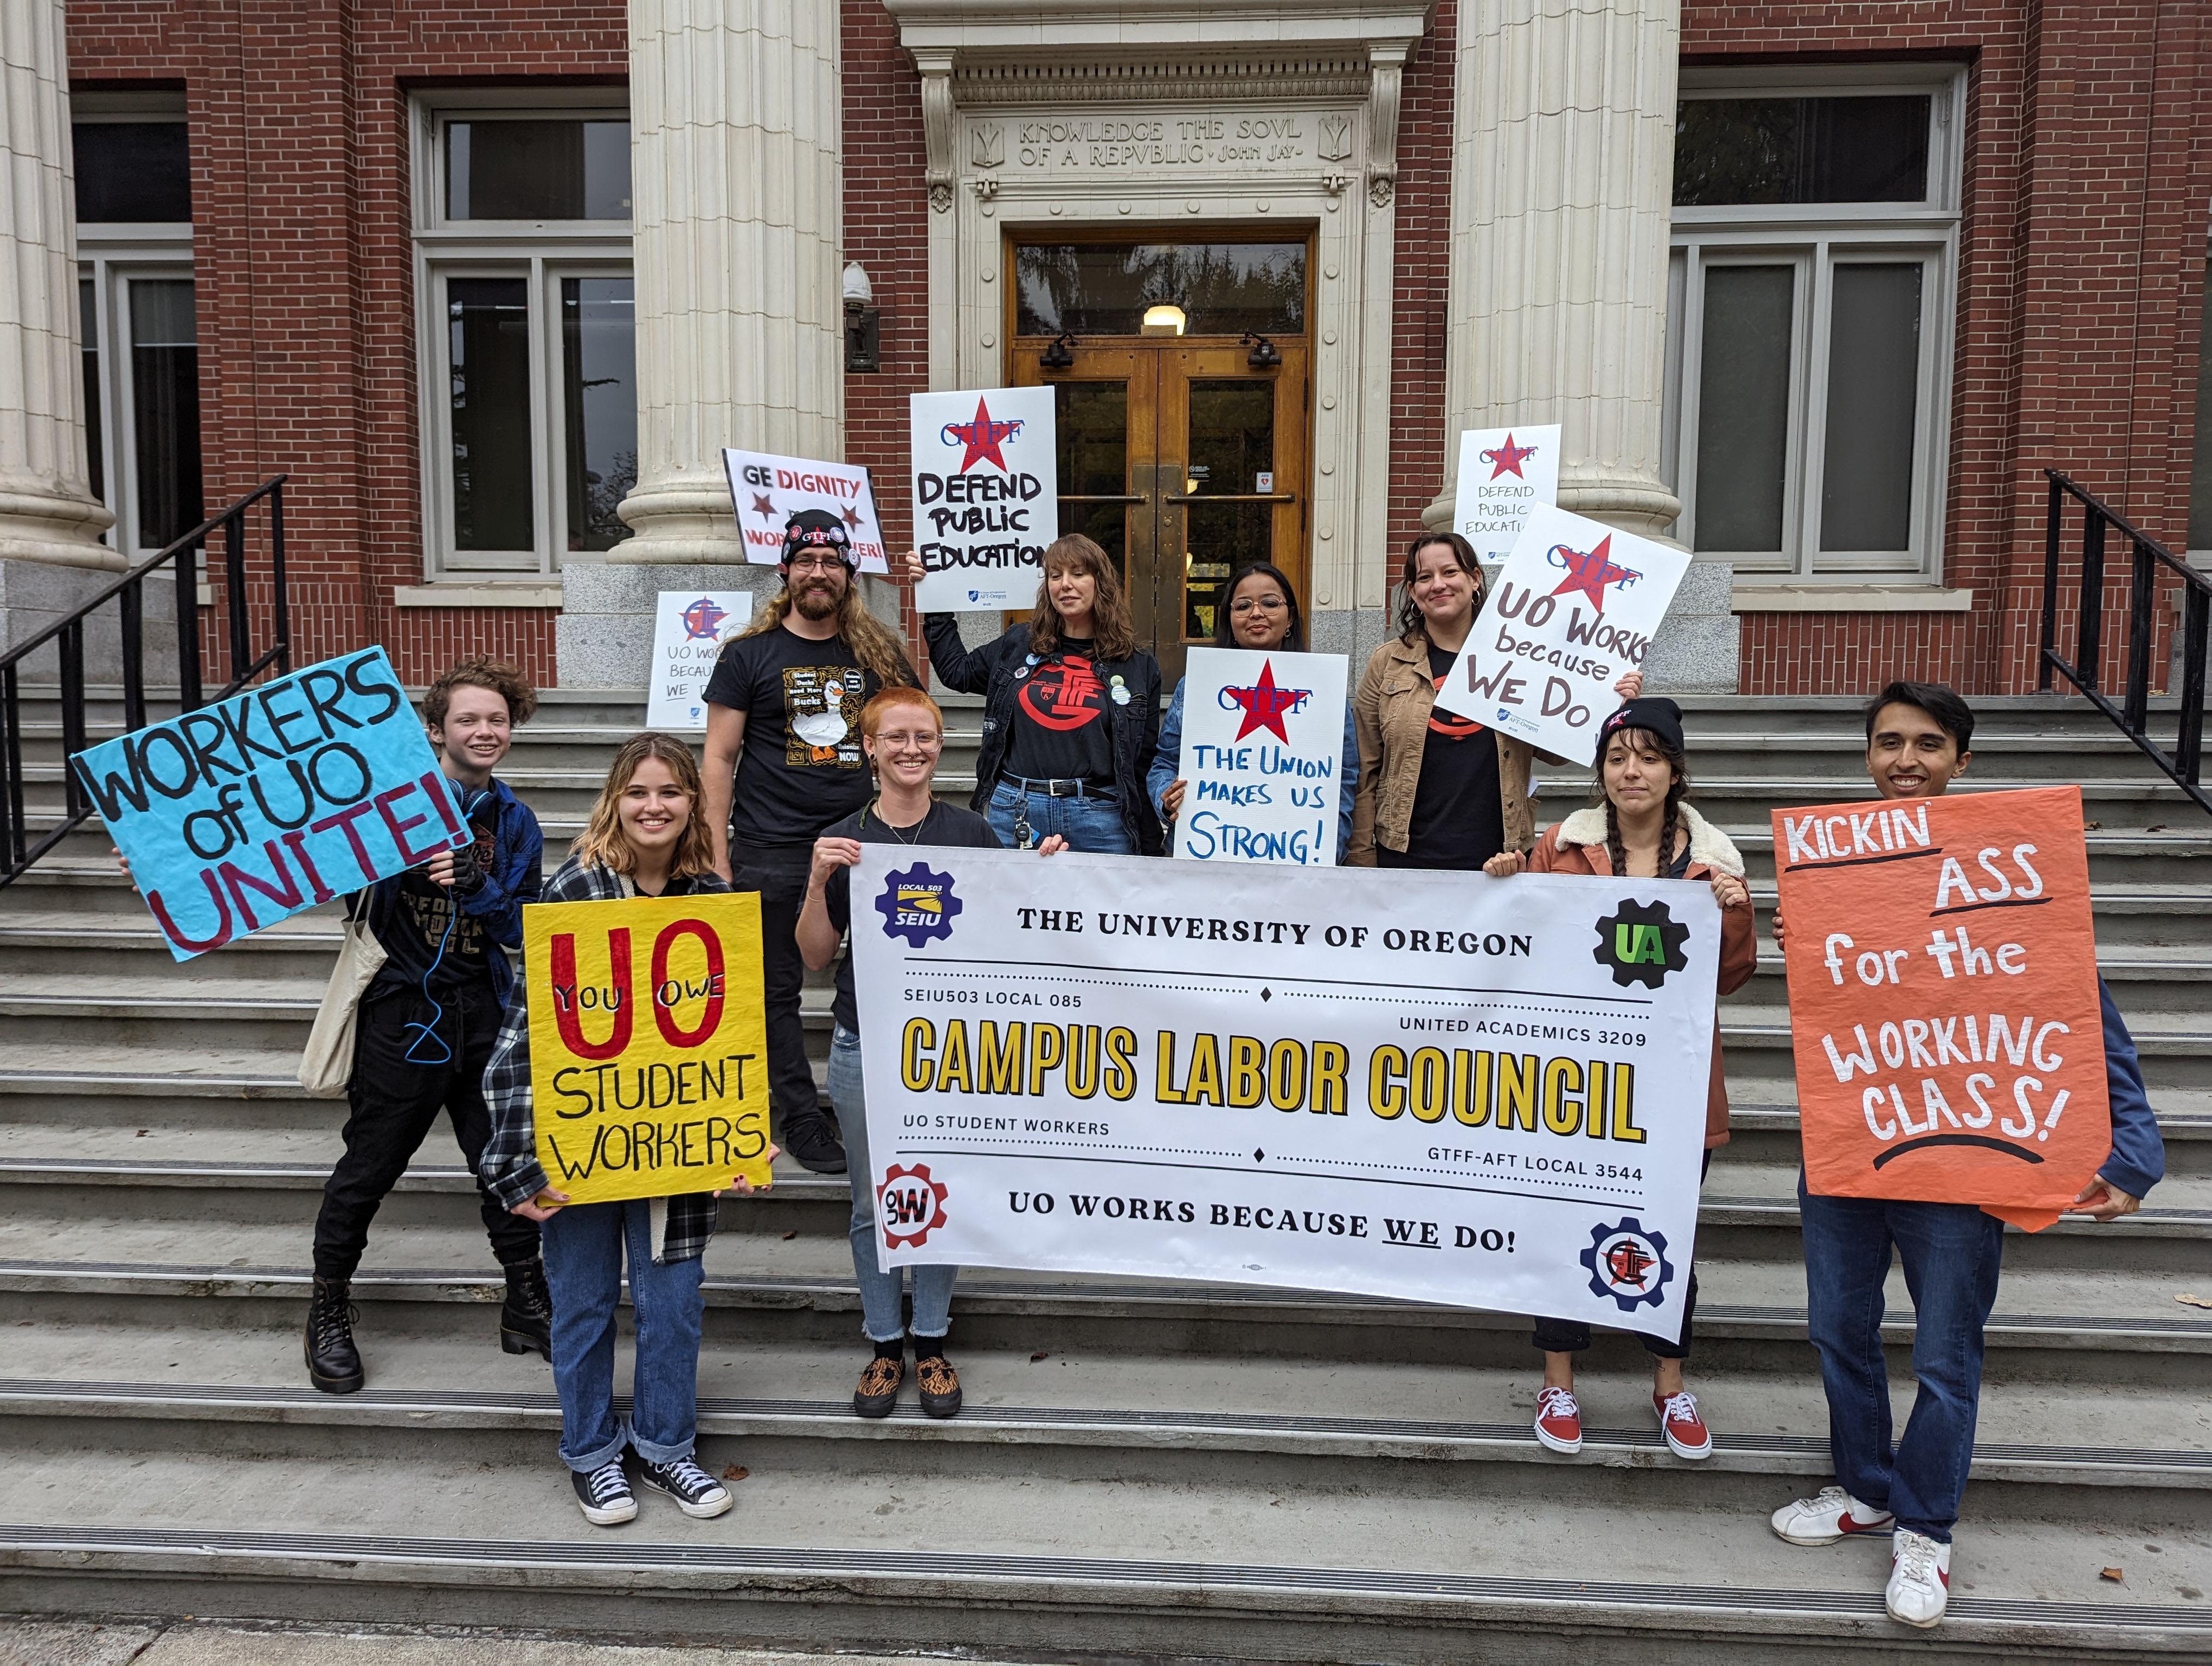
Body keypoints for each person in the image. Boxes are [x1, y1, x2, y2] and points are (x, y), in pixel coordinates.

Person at [1766, 680, 2165, 1629]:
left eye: (1929, 743)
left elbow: (2079, 1006)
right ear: (1868, 755)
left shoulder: (2002, 866)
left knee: (1946, 1354)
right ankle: (1866, 1487)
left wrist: (2133, 1147)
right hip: (1850, 1148)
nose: (1906, 759)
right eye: (1889, 742)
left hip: (1961, 1155)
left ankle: (1927, 1528)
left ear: (1962, 761)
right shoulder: (1830, 872)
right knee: (1837, 1329)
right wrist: (1805, 937)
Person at [481, 733, 778, 1528]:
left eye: (671, 792)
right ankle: (590, 1454)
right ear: (615, 799)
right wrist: (515, 1162)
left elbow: (738, 1038)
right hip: (580, 1150)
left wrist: (744, 1136)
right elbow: (523, 1035)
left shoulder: (713, 901)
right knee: (579, 1306)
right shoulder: (575, 891)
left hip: (674, 1156)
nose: (655, 806)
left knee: (673, 1307)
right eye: (640, 792)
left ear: (692, 804)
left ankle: (665, 1448)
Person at [1484, 696, 1757, 1460]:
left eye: (1648, 756)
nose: (1631, 771)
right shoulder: (1561, 847)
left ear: (1676, 771)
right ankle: (1558, 1380)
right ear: (1600, 771)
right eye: (1616, 757)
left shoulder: (1715, 861)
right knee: (1561, 1226)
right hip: (1579, 1083)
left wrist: (1735, 915)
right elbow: (1519, 951)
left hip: (1671, 1088)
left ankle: (1670, 1387)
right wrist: (1506, 882)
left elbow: (1731, 977)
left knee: (1671, 1235)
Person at [795, 687, 1066, 1420]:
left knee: (938, 1190)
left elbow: (1006, 933)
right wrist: (819, 881)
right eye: (896, 738)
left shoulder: (970, 834)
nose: (911, 749)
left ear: (939, 747)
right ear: (869, 748)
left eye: (925, 737)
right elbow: (817, 958)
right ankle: (884, 1344)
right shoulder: (843, 835)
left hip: (946, 1048)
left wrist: (1035, 876)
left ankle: (933, 1339)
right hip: (864, 1039)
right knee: (868, 1200)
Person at [303, 657, 546, 1395]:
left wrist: (479, 887)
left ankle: (526, 1301)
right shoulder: (385, 807)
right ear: (435, 730)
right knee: (368, 1168)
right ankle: (326, 1310)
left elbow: (524, 929)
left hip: (485, 1017)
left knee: (504, 1166)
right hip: (402, 1014)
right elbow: (294, 864)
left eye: (496, 719)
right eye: (468, 719)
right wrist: (165, 869)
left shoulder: (515, 821)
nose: (484, 731)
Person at [703, 509, 917, 1176]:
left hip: (869, 845)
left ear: (850, 575)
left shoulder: (875, 651)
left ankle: (883, 1100)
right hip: (771, 847)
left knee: (888, 977)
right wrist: (715, 856)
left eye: (831, 562)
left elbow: (915, 718)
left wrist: (921, 603)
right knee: (777, 990)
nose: (818, 572)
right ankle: (799, 1114)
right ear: (786, 572)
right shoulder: (747, 654)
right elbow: (717, 758)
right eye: (806, 561)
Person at [908, 534, 1163, 855]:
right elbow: (957, 672)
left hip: (1101, 817)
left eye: (1078, 573)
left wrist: (1150, 841)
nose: (1065, 584)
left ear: (1102, 582)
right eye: (1055, 576)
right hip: (1018, 810)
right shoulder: (1018, 644)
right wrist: (936, 600)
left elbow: (1143, 762)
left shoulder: (1138, 666)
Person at [1148, 561, 1359, 858]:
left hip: (1298, 855)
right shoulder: (1196, 684)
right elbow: (1165, 763)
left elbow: (1344, 777)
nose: (1256, 613)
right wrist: (1166, 797)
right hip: (1206, 854)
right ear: (1230, 620)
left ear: (1290, 619)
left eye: (1270, 603)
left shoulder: (1324, 688)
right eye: (1243, 606)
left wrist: (1330, 846)